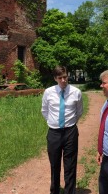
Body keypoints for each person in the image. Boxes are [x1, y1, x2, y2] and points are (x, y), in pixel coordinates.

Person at [41, 66, 83, 194]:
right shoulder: (48, 92)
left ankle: (70, 191)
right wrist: (53, 122)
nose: (63, 80)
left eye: (65, 77)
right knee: (54, 164)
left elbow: (79, 112)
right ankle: (55, 191)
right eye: (60, 78)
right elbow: (45, 111)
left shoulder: (76, 92)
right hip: (54, 132)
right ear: (55, 78)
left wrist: (69, 123)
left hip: (70, 131)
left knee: (70, 165)